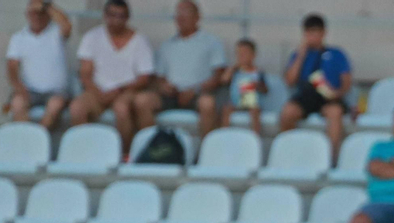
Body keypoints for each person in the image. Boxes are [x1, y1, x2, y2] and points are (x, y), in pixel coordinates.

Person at [69, 0, 154, 155]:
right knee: (77, 108)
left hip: (126, 91)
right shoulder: (91, 37)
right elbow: (85, 73)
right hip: (97, 91)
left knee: (121, 109)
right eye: (112, 15)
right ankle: (84, 152)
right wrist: (97, 93)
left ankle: (124, 154)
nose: (116, 20)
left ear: (127, 17)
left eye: (121, 16)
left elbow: (144, 78)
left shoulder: (140, 41)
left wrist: (118, 90)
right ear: (105, 16)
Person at [135, 0, 225, 138]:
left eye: (186, 13)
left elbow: (218, 76)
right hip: (171, 95)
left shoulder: (211, 42)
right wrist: (164, 86)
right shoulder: (167, 46)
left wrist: (195, 90)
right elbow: (159, 78)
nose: (180, 17)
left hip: (197, 94)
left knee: (208, 103)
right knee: (142, 101)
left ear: (197, 17)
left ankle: (205, 153)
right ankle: (153, 146)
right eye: (178, 13)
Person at [277, 14, 352, 157]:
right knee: (288, 112)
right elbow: (290, 80)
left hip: (329, 97)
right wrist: (301, 54)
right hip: (307, 96)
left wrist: (338, 93)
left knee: (335, 113)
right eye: (308, 32)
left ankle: (330, 157)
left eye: (315, 32)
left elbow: (346, 81)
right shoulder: (298, 54)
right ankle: (289, 153)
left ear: (323, 33)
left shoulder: (336, 54)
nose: (312, 36)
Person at [5, 0, 72, 129]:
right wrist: (19, 87)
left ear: (48, 14)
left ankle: (37, 139)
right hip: (30, 91)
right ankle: (26, 141)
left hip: (56, 92)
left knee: (54, 106)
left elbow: (67, 24)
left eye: (40, 13)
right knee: (17, 104)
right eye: (33, 13)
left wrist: (46, 6)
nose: (37, 16)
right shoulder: (18, 38)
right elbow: (12, 67)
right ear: (27, 14)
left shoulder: (56, 33)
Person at [221, 38, 272, 137]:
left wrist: (257, 86)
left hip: (251, 102)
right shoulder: (235, 71)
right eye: (239, 54)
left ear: (253, 55)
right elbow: (224, 80)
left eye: (245, 53)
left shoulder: (258, 72)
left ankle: (255, 136)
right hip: (236, 102)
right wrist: (232, 68)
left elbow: (265, 90)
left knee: (255, 111)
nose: (242, 56)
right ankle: (225, 134)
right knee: (226, 109)